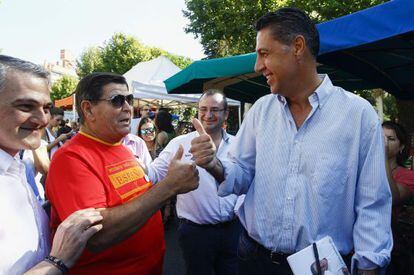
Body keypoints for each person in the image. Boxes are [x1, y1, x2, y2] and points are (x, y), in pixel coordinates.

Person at [190, 8, 392, 275]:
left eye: (264, 53)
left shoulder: (358, 115)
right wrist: (214, 163)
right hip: (253, 258)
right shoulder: (260, 110)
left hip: (321, 267)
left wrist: (368, 267)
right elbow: (241, 174)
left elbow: (372, 203)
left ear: (297, 47)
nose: (257, 66)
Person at [46, 72, 199, 274]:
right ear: (88, 109)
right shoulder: (70, 158)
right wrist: (169, 186)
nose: (127, 107)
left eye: (129, 99)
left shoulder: (121, 147)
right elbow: (95, 236)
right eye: (117, 100)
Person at [0, 54, 103, 274]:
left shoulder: (17, 166)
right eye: (26, 106)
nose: (43, 119)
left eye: (46, 108)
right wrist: (57, 261)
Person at [148, 90, 242, 275]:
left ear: (226, 113)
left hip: (233, 230)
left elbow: (249, 180)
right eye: (203, 109)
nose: (208, 115)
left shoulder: (238, 143)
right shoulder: (180, 143)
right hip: (196, 233)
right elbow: (153, 173)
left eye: (215, 109)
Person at [383, 121, 414, 274]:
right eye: (380, 137)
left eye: (391, 139)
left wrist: (382, 156)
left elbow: (393, 198)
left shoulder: (408, 176)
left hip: (392, 250)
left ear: (401, 147)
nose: (384, 142)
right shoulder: (362, 170)